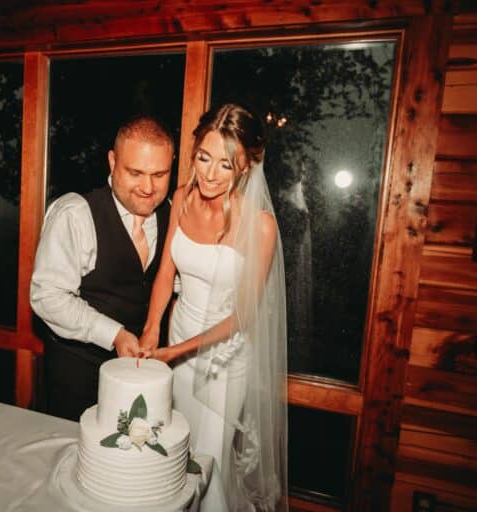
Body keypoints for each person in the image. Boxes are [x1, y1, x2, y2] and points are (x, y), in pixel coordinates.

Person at [140, 104, 288, 511]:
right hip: (177, 341)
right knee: (177, 454)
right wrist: (153, 328)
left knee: (211, 461)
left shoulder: (259, 226)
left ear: (246, 166)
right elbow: (166, 272)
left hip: (224, 360)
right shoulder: (182, 198)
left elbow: (243, 316)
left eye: (225, 164)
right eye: (203, 158)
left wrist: (178, 352)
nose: (209, 173)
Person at [30, 116, 174, 422]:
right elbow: (48, 296)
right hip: (78, 373)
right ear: (112, 161)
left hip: (141, 379)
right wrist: (115, 334)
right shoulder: (75, 214)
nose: (148, 188)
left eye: (159, 174)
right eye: (135, 172)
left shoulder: (173, 213)